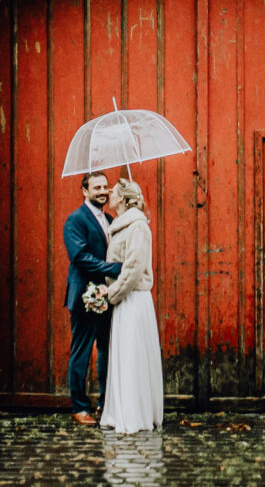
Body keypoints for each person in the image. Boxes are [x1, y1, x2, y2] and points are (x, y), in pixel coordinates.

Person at [100, 178, 164, 434]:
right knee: (125, 355)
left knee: (133, 356)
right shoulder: (121, 225)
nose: (109, 194)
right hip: (124, 299)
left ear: (124, 199)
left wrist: (111, 293)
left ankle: (136, 415)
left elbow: (134, 268)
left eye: (113, 192)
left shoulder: (137, 226)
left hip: (133, 298)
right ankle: (121, 410)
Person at [63, 172, 123, 425]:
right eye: (96, 187)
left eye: (105, 187)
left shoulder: (110, 219)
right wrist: (112, 269)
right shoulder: (75, 220)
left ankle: (105, 403)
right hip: (85, 295)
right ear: (84, 191)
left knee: (108, 351)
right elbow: (80, 257)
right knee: (82, 351)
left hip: (108, 295)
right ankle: (79, 407)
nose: (102, 191)